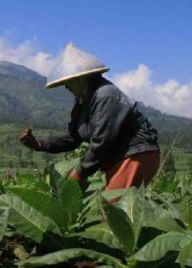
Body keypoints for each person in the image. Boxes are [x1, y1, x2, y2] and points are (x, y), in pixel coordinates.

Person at [19, 43, 160, 190]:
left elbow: (102, 141)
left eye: (68, 82)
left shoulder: (106, 95)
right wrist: (38, 144)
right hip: (117, 158)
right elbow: (72, 138)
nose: (66, 87)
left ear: (81, 78)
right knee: (109, 208)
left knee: (115, 208)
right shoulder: (82, 102)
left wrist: (79, 173)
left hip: (135, 155)